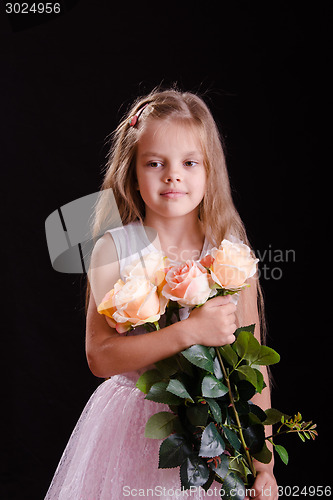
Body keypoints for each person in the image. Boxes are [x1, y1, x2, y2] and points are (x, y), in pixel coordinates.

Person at [45, 88, 278, 499]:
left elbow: (252, 369)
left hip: (213, 428)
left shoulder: (230, 257)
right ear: (133, 171)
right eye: (156, 163)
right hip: (129, 429)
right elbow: (100, 356)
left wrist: (265, 465)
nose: (174, 175)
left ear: (210, 172)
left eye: (190, 163)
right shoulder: (115, 250)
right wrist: (189, 332)